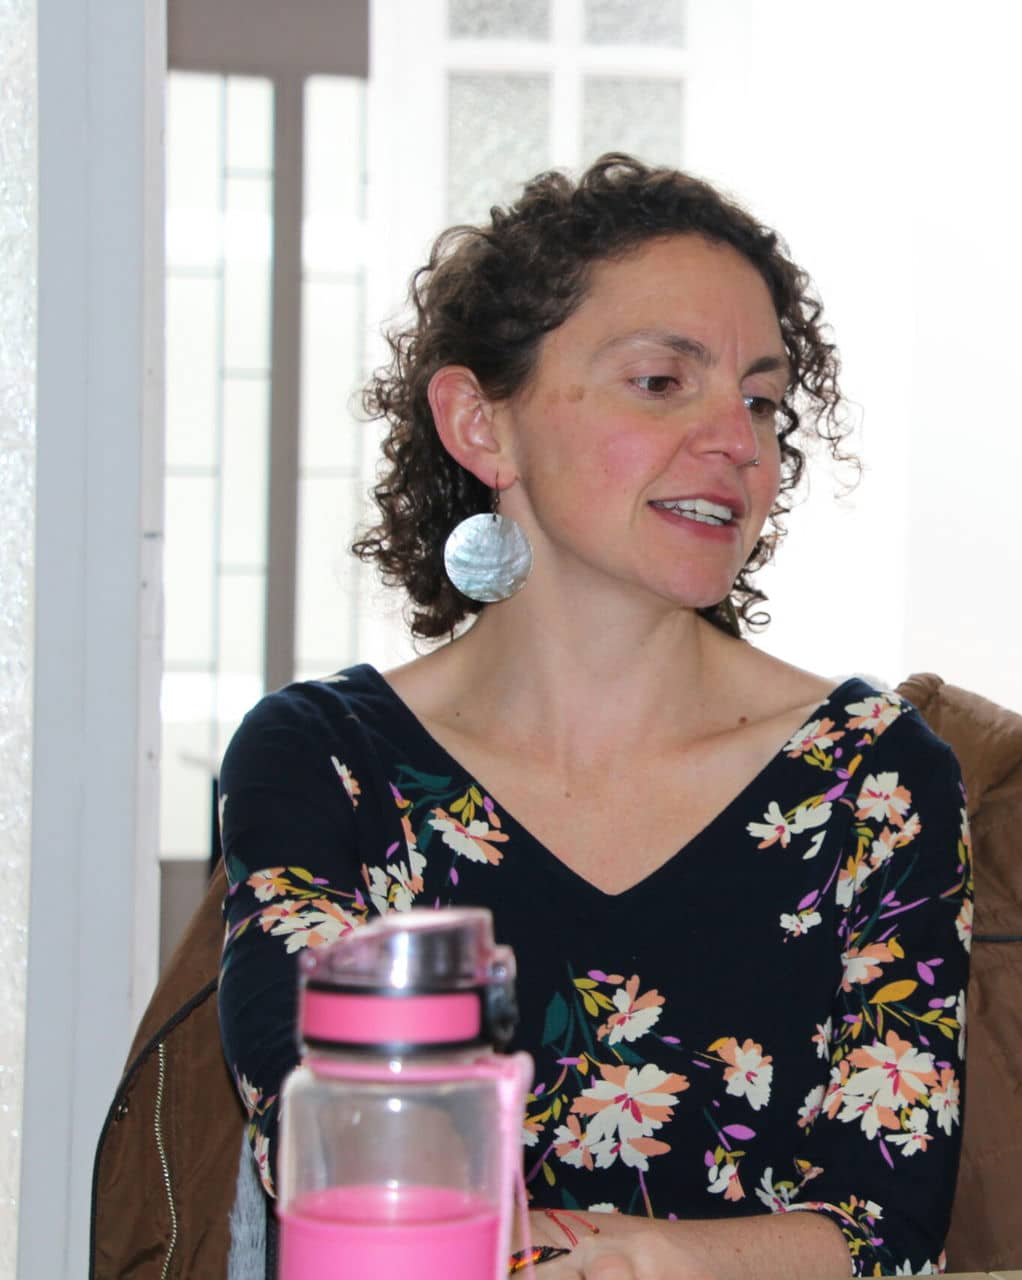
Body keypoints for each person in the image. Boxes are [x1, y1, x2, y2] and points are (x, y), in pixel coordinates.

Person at [216, 155, 972, 1280]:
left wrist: (651, 1265)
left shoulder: (875, 778)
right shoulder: (322, 764)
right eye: (662, 381)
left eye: (762, 400)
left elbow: (886, 1230)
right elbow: (345, 1166)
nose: (739, 438)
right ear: (482, 425)